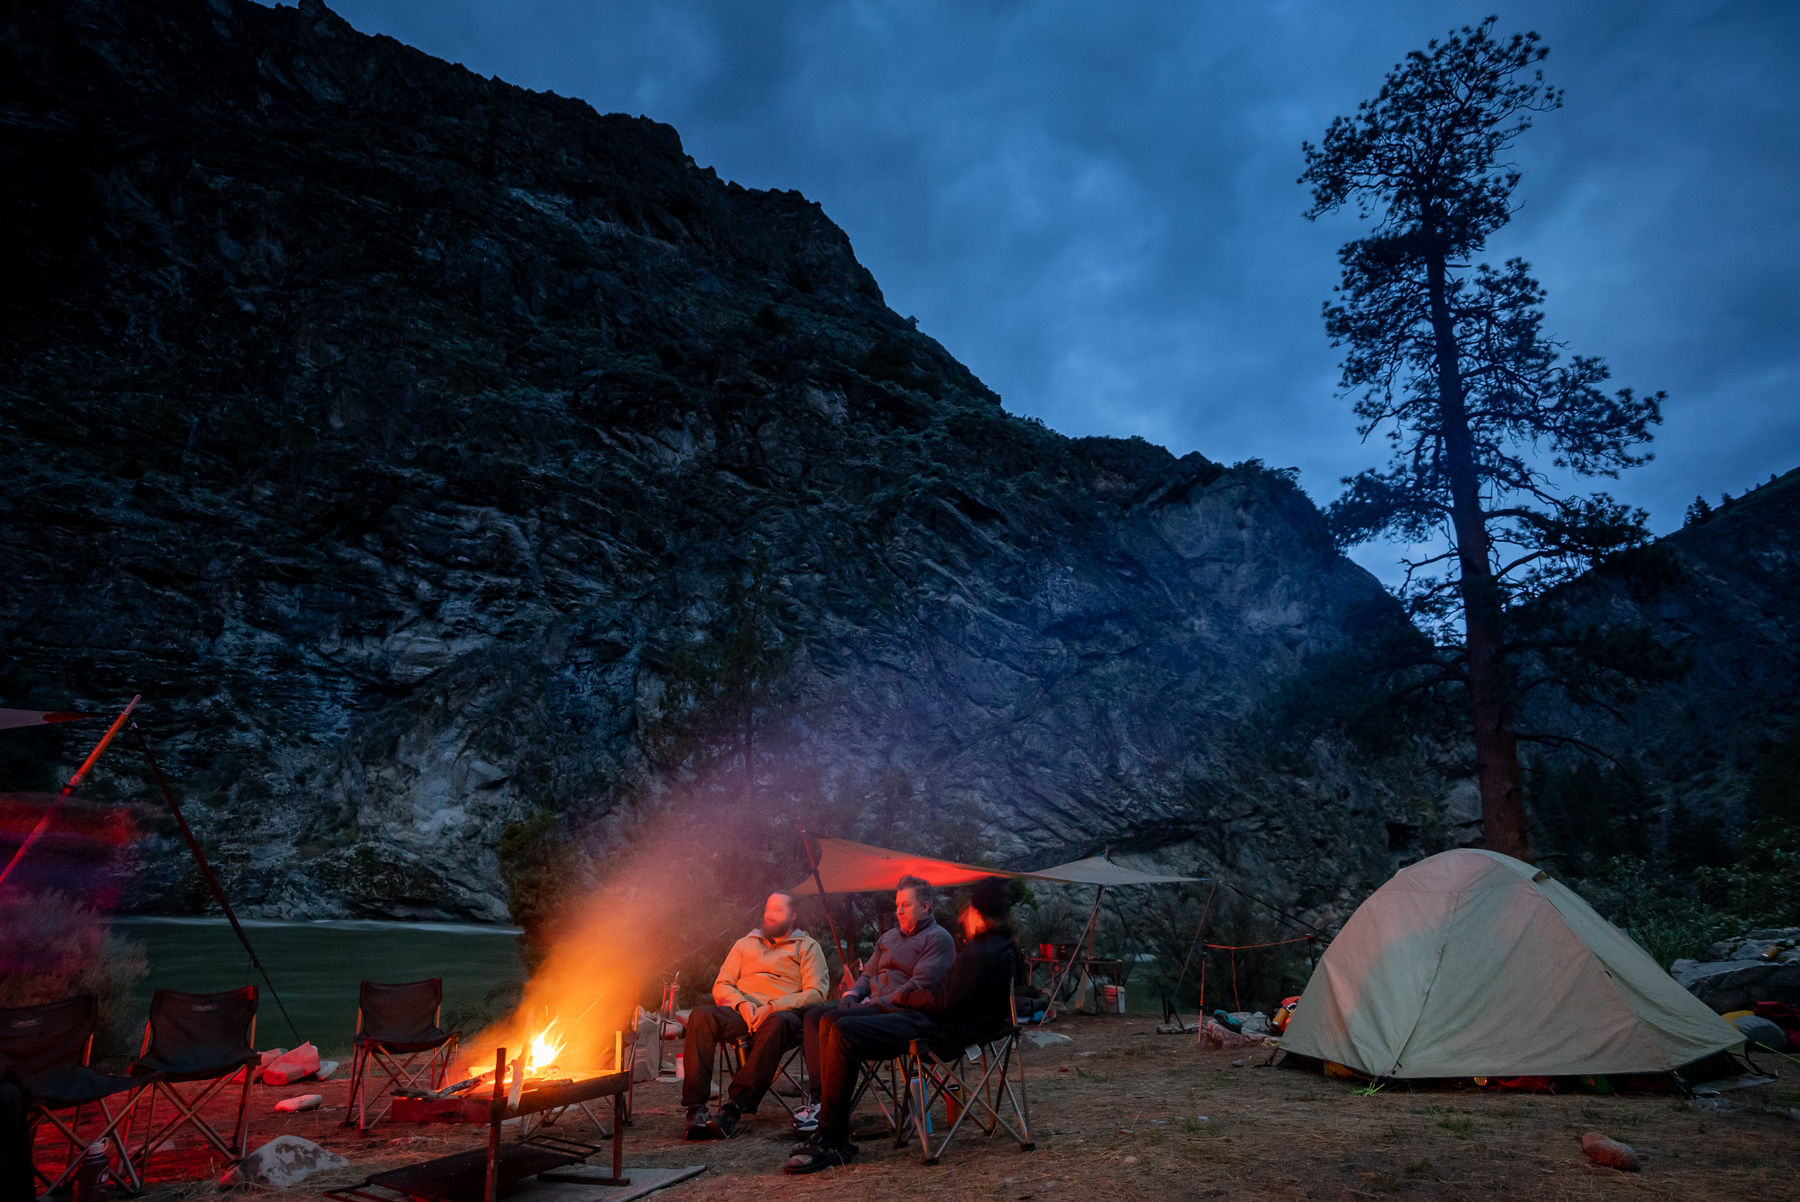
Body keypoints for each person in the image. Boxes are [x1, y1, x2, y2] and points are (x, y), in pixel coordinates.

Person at [784, 876, 1022, 1175]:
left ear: (979, 913)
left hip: (942, 1030)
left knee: (843, 1030)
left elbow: (945, 1002)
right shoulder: (995, 947)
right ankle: (828, 1128)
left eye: (968, 909)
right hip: (938, 1021)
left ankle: (832, 1138)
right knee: (829, 1021)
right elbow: (950, 997)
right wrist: (859, 995)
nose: (962, 917)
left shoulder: (980, 952)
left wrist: (908, 996)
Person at [791, 874, 954, 1135]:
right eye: (897, 904)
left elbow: (916, 987)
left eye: (907, 905)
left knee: (835, 1022)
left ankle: (832, 1115)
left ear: (925, 907)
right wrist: (852, 995)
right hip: (872, 1004)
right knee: (813, 1017)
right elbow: (867, 974)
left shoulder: (938, 939)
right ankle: (821, 1102)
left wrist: (873, 1001)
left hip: (901, 1012)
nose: (899, 910)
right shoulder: (889, 937)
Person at [682, 890, 827, 1140]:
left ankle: (733, 1108)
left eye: (778, 910)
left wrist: (774, 1005)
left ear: (793, 915)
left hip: (782, 1018)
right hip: (742, 1013)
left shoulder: (807, 947)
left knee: (778, 1022)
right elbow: (722, 984)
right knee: (700, 1016)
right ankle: (696, 1110)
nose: (770, 915)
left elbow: (816, 993)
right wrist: (741, 1004)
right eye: (768, 908)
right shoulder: (745, 943)